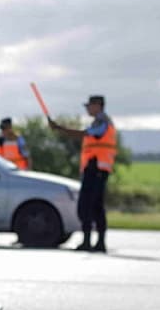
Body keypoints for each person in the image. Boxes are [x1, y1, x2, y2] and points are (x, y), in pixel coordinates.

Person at [49, 95, 117, 252]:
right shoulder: (99, 122)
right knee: (89, 206)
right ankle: (90, 241)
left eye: (89, 105)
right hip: (93, 168)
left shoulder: (102, 122)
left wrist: (60, 129)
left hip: (97, 168)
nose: (87, 108)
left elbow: (85, 134)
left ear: (98, 106)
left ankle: (97, 242)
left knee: (92, 205)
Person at [0, 117, 30, 244]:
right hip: (2, 177)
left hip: (18, 176)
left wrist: (28, 173)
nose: (3, 131)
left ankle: (21, 235)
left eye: (4, 128)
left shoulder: (19, 140)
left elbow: (27, 157)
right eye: (2, 129)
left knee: (19, 206)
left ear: (10, 128)